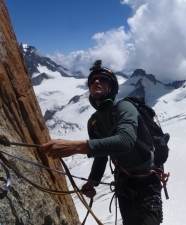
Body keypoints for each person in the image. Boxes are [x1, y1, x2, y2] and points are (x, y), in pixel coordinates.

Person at [40, 60, 163, 225]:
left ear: (111, 87)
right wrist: (92, 181)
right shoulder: (94, 122)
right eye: (92, 80)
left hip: (147, 184)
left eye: (103, 79)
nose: (96, 82)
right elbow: (101, 156)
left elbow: (125, 142)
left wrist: (75, 146)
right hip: (124, 184)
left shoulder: (125, 107)